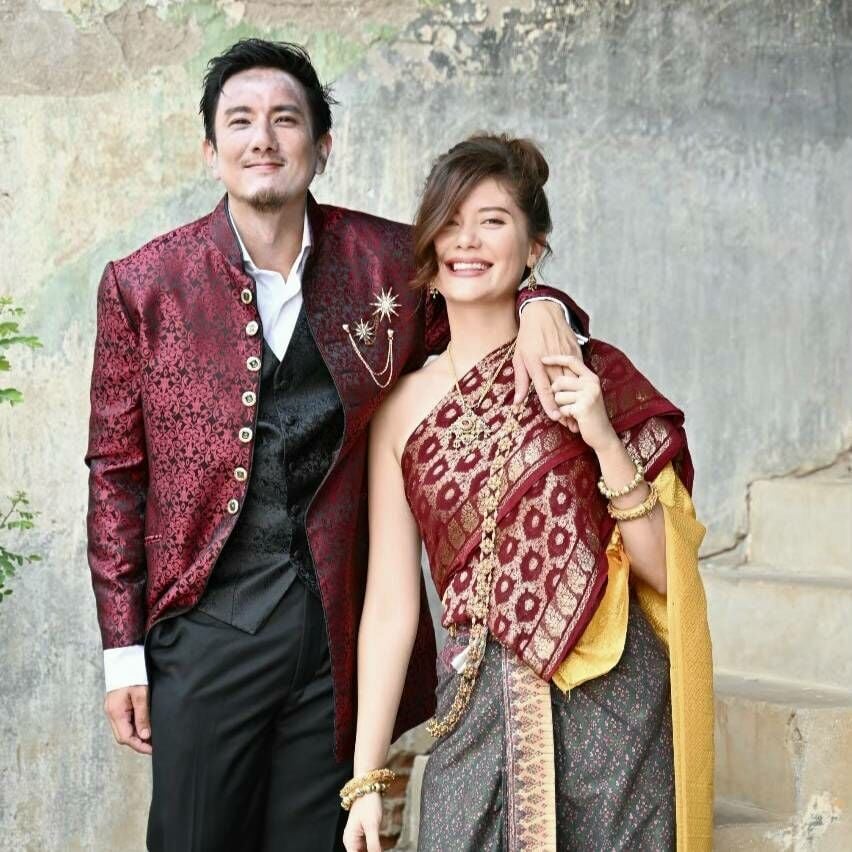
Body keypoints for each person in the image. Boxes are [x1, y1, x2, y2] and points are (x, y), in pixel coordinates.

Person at [85, 40, 585, 851]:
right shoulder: (143, 286)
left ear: (322, 147)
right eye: (240, 122)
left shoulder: (387, 260)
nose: (263, 139)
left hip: (337, 635)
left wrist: (543, 304)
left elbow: (482, 277)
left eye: (286, 120)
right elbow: (115, 477)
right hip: (206, 629)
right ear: (210, 150)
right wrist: (123, 654)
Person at [342, 134, 715, 852]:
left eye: (493, 221)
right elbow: (390, 605)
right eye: (450, 222)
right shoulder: (399, 412)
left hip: (613, 710)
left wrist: (600, 435)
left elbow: (670, 574)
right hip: (475, 713)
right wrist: (366, 779)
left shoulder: (591, 373)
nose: (467, 240)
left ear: (534, 247)